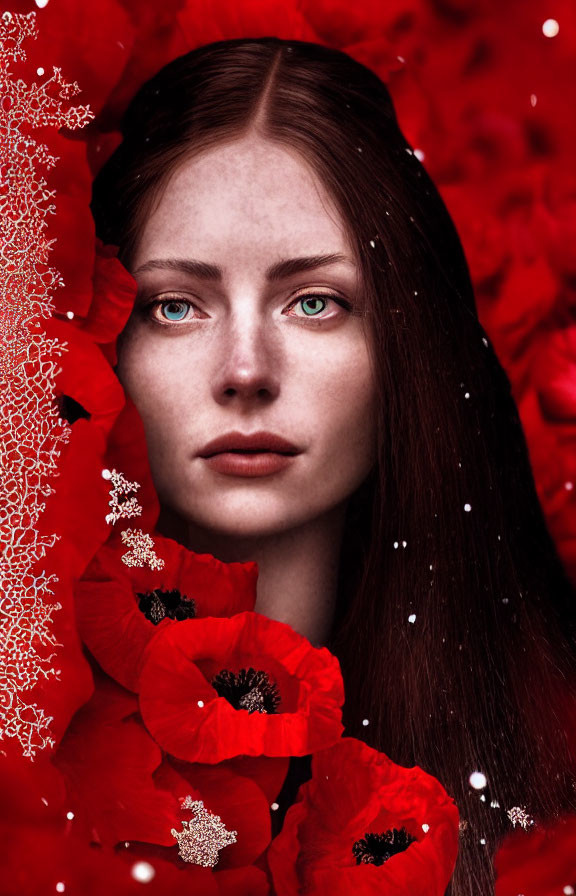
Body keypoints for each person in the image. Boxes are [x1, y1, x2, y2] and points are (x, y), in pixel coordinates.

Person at [90, 36, 576, 895]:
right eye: (176, 305)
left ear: (406, 340)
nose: (245, 371)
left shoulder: (551, 768)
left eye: (314, 302)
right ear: (102, 335)